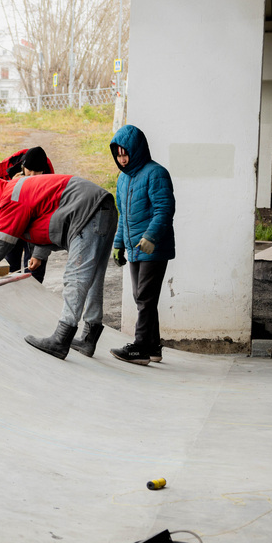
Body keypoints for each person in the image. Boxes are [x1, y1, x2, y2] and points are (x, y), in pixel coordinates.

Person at [0, 172, 117, 360]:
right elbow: (44, 217)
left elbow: (2, 240)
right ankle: (88, 338)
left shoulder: (10, 198)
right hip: (102, 207)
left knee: (75, 277)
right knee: (94, 277)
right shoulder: (18, 191)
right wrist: (39, 255)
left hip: (87, 211)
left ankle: (61, 340)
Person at [106, 124, 176, 366]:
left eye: (126, 153)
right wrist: (118, 244)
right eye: (119, 154)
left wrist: (151, 237)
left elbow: (164, 210)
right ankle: (153, 346)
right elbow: (122, 215)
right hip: (135, 248)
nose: (122, 159)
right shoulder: (123, 180)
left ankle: (140, 348)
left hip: (153, 248)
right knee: (142, 297)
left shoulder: (156, 173)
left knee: (144, 297)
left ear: (137, 150)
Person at [0, 146, 54, 283]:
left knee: (35, 270)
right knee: (10, 268)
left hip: (34, 225)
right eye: (29, 171)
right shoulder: (4, 174)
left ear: (43, 171)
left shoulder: (51, 181)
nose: (32, 176)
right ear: (22, 167)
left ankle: (33, 298)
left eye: (37, 172)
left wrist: (39, 255)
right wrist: (11, 186)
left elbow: (49, 220)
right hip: (11, 224)